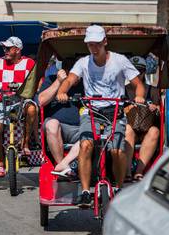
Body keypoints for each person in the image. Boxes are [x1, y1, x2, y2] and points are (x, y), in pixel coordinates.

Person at [56, 25, 145, 207]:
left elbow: (138, 84)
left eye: (97, 44)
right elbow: (71, 79)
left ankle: (119, 189)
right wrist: (63, 91)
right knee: (86, 145)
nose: (94, 48)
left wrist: (140, 96)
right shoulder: (83, 62)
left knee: (117, 150)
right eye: (90, 45)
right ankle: (86, 191)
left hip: (115, 111)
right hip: (91, 111)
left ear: (105, 42)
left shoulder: (120, 61)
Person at [0, 36, 38, 177]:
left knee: (32, 108)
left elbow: (37, 81)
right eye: (4, 48)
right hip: (3, 102)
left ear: (18, 50)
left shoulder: (29, 63)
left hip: (21, 101)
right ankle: (0, 161)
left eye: (8, 48)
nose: (5, 50)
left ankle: (25, 143)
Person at [38, 63, 83, 177]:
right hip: (58, 128)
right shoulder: (51, 79)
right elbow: (41, 101)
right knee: (52, 124)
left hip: (81, 128)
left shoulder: (87, 82)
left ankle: (64, 164)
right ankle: (63, 168)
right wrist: (58, 82)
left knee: (93, 130)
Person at [125, 56, 160, 181]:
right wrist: (128, 108)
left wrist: (155, 107)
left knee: (155, 131)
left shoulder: (153, 90)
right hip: (131, 126)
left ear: (145, 71)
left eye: (140, 71)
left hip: (147, 127)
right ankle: (127, 171)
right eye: (134, 71)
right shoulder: (124, 90)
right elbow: (117, 110)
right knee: (127, 129)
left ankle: (139, 171)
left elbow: (160, 110)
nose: (137, 74)